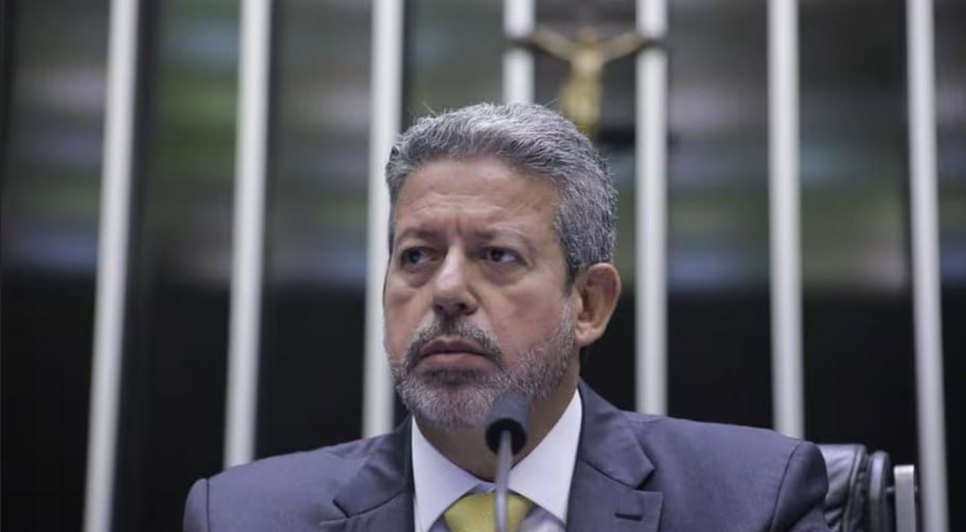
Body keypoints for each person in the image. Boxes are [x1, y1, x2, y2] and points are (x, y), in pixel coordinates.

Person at [183, 103, 830, 531]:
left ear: (589, 304)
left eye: (497, 255)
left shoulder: (750, 501)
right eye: (417, 256)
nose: (447, 290)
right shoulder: (244, 518)